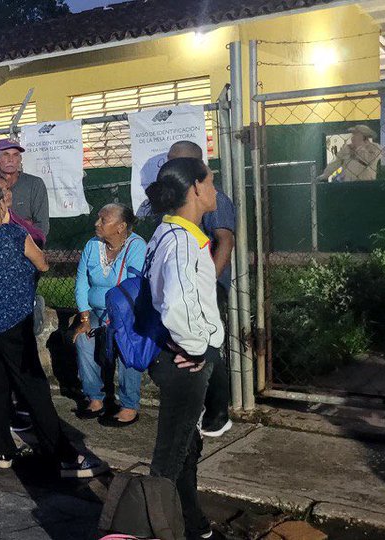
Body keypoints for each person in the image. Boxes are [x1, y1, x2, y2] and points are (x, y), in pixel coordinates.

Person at [0, 180, 107, 478]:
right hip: (13, 319)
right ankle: (63, 455)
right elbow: (42, 264)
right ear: (2, 203)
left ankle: (2, 449)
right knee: (34, 386)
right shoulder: (14, 233)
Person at [143, 157, 225, 538]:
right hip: (185, 362)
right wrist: (195, 348)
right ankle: (149, 528)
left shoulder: (175, 234)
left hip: (177, 355)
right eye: (210, 182)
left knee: (186, 447)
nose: (214, 190)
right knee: (170, 457)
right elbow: (175, 304)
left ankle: (191, 524)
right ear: (195, 187)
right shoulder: (179, 242)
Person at [167, 140, 236, 438]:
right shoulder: (178, 198)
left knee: (210, 345)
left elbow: (225, 241)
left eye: (174, 162)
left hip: (208, 285)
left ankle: (219, 412)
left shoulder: (214, 198)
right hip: (188, 283)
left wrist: (207, 284)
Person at [73, 203, 146, 425]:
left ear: (121, 226)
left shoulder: (136, 246)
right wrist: (85, 318)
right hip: (96, 311)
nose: (97, 223)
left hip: (125, 313)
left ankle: (129, 405)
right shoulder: (92, 245)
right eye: (98, 218)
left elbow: (133, 286)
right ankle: (95, 398)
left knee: (126, 343)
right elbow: (82, 282)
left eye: (103, 220)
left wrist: (115, 320)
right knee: (83, 340)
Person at [0, 138, 50, 239]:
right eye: (6, 154)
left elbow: (42, 226)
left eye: (15, 155)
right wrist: (25, 225)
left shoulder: (34, 184)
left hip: (28, 247)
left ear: (20, 159)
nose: (11, 159)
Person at [0, 175, 46, 247]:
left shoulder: (11, 216)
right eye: (1, 191)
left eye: (7, 188)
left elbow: (39, 238)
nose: (7, 193)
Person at [318, 124, 382, 181]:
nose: (352, 137)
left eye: (356, 134)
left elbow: (369, 161)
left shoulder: (375, 147)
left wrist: (360, 148)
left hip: (368, 183)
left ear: (364, 136)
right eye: (353, 134)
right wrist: (326, 174)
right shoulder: (347, 148)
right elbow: (335, 162)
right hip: (349, 184)